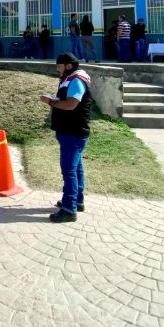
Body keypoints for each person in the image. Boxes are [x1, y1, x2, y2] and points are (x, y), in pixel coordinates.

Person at [39, 53, 92, 223]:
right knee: (76, 168)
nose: (57, 69)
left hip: (73, 132)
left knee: (69, 170)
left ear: (68, 65)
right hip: (71, 131)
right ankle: (77, 200)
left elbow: (71, 104)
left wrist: (50, 102)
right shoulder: (70, 78)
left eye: (59, 66)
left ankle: (69, 209)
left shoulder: (76, 80)